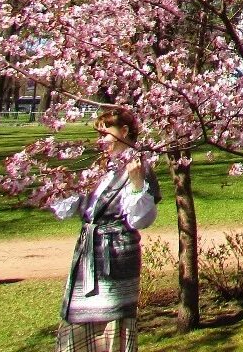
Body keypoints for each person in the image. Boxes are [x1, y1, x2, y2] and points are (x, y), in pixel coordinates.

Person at [52, 107, 159, 351]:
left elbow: (141, 219)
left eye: (105, 134)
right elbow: (70, 209)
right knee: (78, 318)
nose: (101, 141)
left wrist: (136, 182)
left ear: (124, 131)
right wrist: (63, 187)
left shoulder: (139, 167)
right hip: (89, 252)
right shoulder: (99, 167)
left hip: (116, 253)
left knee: (111, 319)